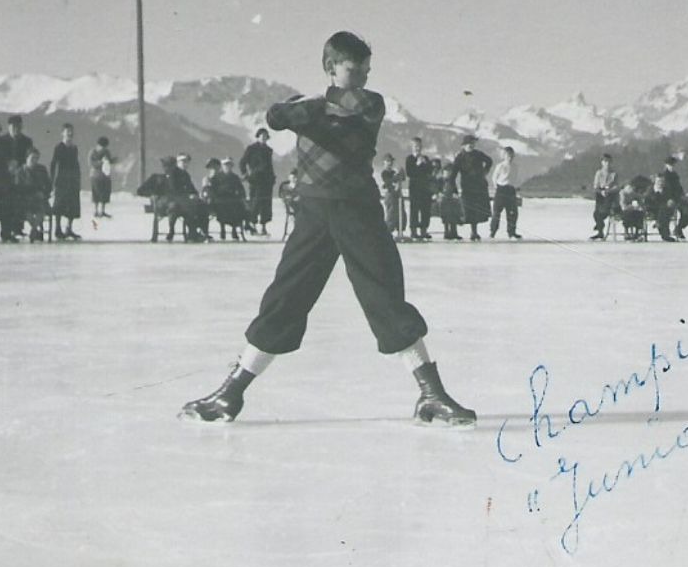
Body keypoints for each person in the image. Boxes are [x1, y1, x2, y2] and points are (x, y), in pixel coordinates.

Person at [180, 30, 475, 427]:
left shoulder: (369, 103)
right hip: (316, 212)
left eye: (367, 70)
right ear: (330, 67)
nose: (364, 78)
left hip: (358, 211)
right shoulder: (316, 107)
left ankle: (432, 395)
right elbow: (280, 116)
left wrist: (296, 110)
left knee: (386, 298)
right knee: (284, 299)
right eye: (355, 70)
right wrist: (291, 112)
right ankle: (230, 394)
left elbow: (298, 113)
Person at [453, 134, 492, 242]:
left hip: (479, 186)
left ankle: (474, 232)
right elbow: (454, 172)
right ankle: (461, 226)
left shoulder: (478, 154)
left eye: (472, 143)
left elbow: (489, 161)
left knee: (476, 211)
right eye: (468, 144)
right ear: (463, 145)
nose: (471, 145)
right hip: (467, 186)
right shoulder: (460, 157)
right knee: (467, 210)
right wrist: (452, 186)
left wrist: (485, 171)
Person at [239, 128, 276, 236]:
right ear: (258, 136)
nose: (264, 138)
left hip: (267, 181)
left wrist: (272, 178)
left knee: (266, 204)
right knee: (255, 203)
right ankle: (253, 226)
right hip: (255, 180)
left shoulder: (269, 150)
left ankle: (263, 227)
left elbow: (270, 166)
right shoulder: (251, 148)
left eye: (265, 136)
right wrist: (245, 174)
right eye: (262, 136)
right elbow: (242, 162)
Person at [49, 122, 83, 241]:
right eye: (67, 131)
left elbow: (76, 164)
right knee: (59, 205)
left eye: (71, 131)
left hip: (72, 179)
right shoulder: (59, 147)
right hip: (62, 180)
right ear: (62, 133)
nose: (70, 133)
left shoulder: (74, 148)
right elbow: (54, 164)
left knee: (72, 205)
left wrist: (77, 178)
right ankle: (57, 229)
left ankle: (69, 228)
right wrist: (53, 180)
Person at [15, 146, 52, 241]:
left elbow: (48, 185)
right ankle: (35, 230)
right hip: (25, 200)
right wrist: (30, 193)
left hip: (40, 199)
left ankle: (34, 230)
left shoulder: (41, 169)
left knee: (41, 209)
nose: (34, 160)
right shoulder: (20, 172)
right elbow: (18, 188)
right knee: (27, 211)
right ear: (26, 158)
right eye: (32, 158)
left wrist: (44, 194)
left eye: (36, 158)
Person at [404, 136, 436, 241]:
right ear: (412, 147)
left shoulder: (425, 158)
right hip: (414, 188)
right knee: (414, 209)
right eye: (415, 146)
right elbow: (410, 173)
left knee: (425, 210)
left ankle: (424, 230)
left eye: (419, 146)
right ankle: (413, 231)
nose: (417, 148)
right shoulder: (409, 159)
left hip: (425, 189)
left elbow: (430, 171)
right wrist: (417, 165)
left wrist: (425, 164)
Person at [208, 158, 249, 240]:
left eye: (229, 165)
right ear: (222, 166)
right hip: (220, 199)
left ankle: (234, 230)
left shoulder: (235, 177)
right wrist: (214, 197)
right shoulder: (216, 177)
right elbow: (212, 189)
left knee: (238, 208)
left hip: (233, 199)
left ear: (231, 166)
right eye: (225, 165)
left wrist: (242, 197)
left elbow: (240, 189)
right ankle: (222, 229)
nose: (227, 167)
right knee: (222, 207)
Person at [490, 145, 522, 239]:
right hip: (501, 189)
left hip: (511, 190)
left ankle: (511, 232)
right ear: (504, 156)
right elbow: (494, 178)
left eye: (512, 155)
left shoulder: (515, 166)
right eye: (508, 155)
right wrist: (496, 187)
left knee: (512, 213)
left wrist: (516, 187)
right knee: (496, 212)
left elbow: (515, 178)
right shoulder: (500, 166)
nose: (510, 157)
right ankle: (493, 231)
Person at [590, 152, 619, 240]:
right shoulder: (599, 173)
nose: (607, 164)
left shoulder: (614, 174)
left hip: (610, 195)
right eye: (605, 162)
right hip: (600, 194)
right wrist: (601, 191)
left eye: (609, 162)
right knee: (596, 213)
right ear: (602, 162)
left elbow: (617, 187)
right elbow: (595, 186)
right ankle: (600, 229)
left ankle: (599, 227)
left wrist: (608, 191)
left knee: (603, 212)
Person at [379, 154, 405, 237]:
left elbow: (402, 178)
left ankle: (400, 230)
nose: (390, 163)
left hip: (398, 194)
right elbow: (387, 182)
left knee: (401, 212)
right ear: (384, 162)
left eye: (391, 161)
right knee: (391, 213)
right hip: (390, 195)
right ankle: (388, 231)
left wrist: (401, 173)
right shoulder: (384, 173)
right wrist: (395, 177)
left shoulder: (393, 172)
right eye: (388, 161)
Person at [89, 135, 115, 218]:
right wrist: (101, 162)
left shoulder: (106, 152)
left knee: (105, 193)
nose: (103, 148)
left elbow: (109, 161)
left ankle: (102, 211)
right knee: (96, 193)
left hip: (105, 176)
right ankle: (96, 211)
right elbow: (91, 163)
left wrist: (112, 160)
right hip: (96, 175)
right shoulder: (93, 152)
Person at [437, 161, 463, 241]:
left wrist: (456, 194)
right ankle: (446, 232)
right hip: (444, 201)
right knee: (446, 217)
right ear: (443, 172)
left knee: (454, 217)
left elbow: (455, 191)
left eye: (450, 171)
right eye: (447, 171)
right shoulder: (440, 180)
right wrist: (439, 193)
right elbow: (436, 189)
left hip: (452, 201)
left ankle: (454, 232)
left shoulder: (452, 181)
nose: (448, 173)